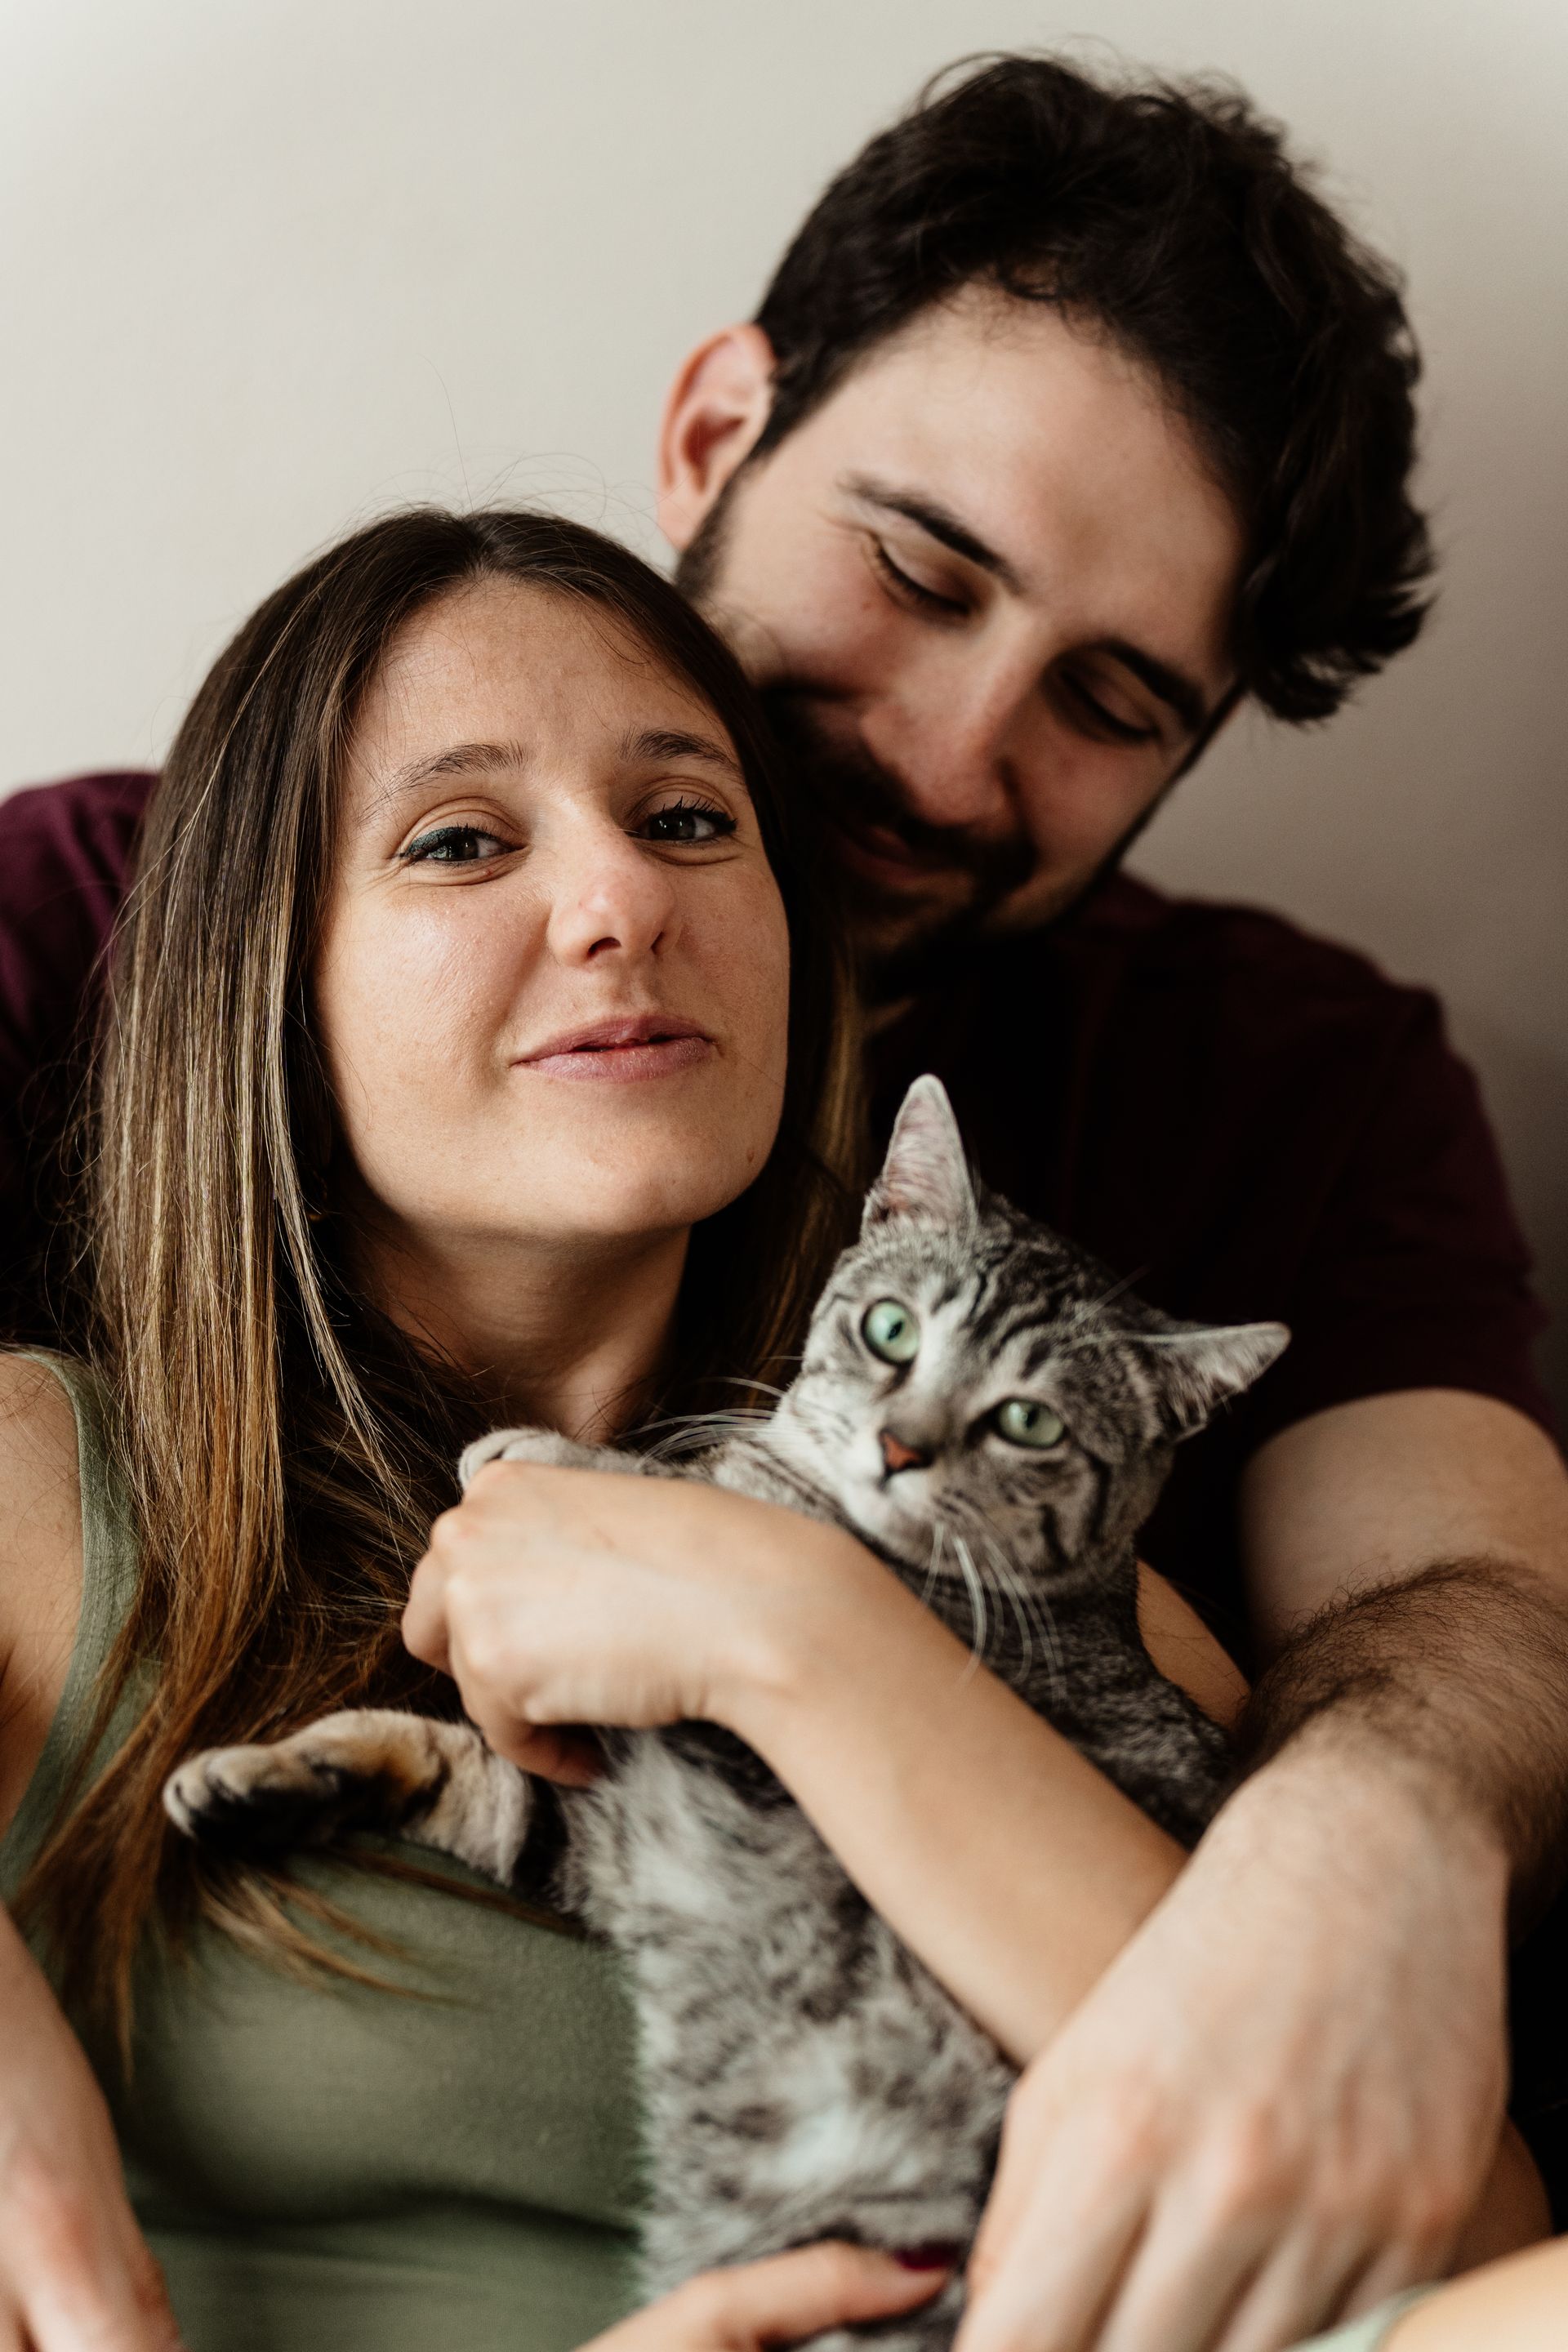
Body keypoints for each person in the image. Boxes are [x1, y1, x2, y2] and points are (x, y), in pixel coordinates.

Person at [3, 48, 1566, 2352]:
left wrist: (806, 1628)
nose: (948, 753)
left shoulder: (1243, 1166)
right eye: (918, 570)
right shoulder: (76, 1004)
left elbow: (1458, 1680)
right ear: (721, 425)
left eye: (1110, 701)